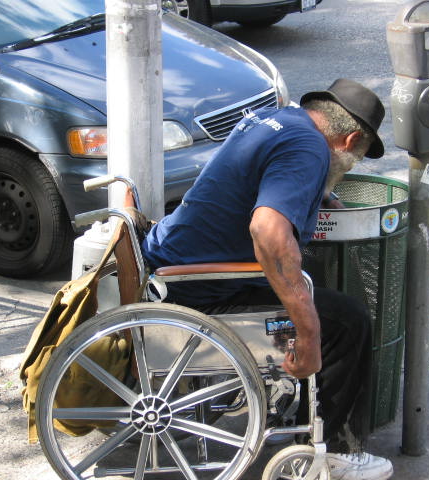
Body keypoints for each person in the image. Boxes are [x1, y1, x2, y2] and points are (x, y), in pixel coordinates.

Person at [141, 79, 393, 480]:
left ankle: (308, 421)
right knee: (345, 319)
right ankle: (334, 453)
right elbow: (268, 232)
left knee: (315, 298)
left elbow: (261, 176)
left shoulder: (277, 119)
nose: (350, 169)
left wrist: (320, 193)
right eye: (357, 158)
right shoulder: (310, 149)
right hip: (197, 287)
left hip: (171, 258)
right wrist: (308, 332)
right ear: (349, 139)